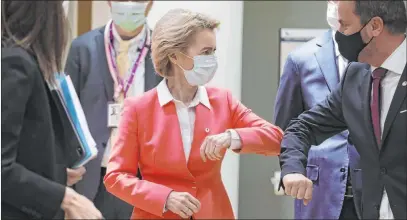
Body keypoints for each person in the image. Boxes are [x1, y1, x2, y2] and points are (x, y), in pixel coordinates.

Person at [103, 8, 284, 219]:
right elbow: (115, 177)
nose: (212, 59)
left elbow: (277, 139)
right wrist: (165, 197)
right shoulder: (137, 109)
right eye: (205, 52)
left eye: (213, 52)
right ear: (174, 55)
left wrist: (231, 137)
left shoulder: (223, 101)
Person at [279, 0, 407, 219]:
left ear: (375, 26)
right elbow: (302, 127)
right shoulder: (355, 77)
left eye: (344, 26)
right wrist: (292, 169)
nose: (337, 35)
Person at [1, 1, 102, 219]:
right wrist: (66, 198)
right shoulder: (14, 63)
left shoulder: (25, 60)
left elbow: (23, 150)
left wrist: (55, 174)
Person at [65, 0, 161, 219]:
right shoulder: (82, 49)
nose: (128, 4)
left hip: (142, 178)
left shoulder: (164, 51)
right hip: (93, 177)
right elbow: (65, 116)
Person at [274, 1, 362, 219]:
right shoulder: (300, 58)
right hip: (319, 190)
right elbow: (286, 127)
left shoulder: (376, 58)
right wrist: (291, 170)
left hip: (372, 188)